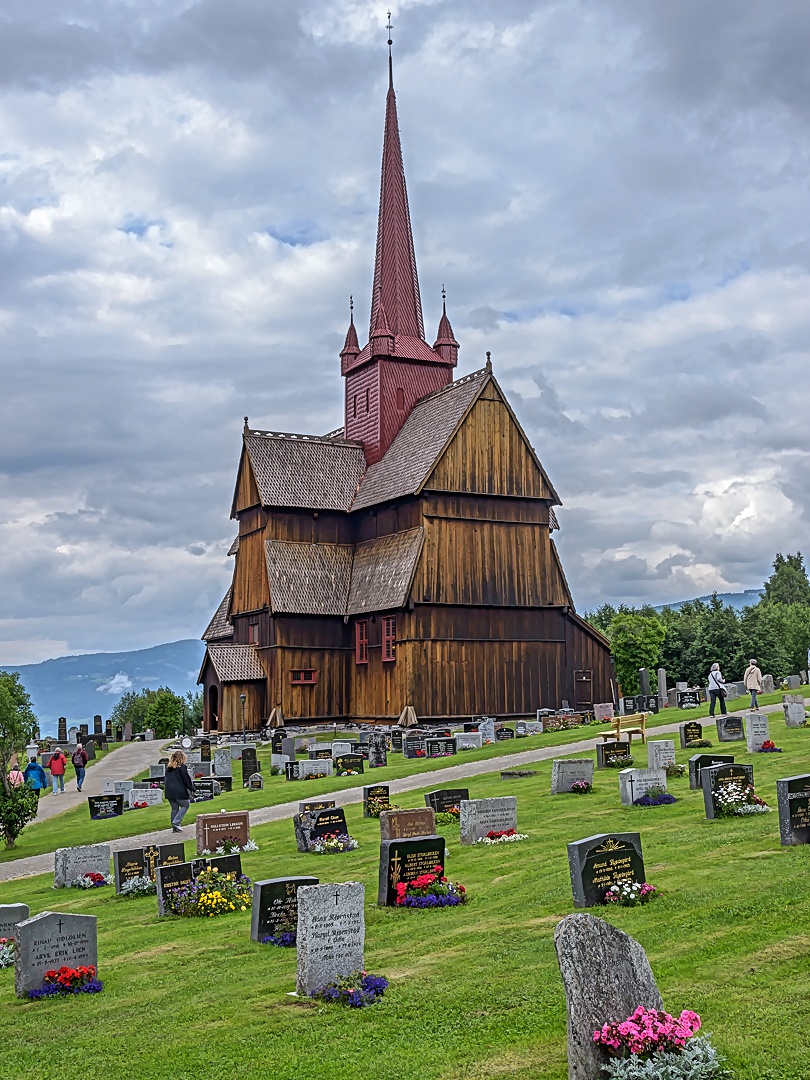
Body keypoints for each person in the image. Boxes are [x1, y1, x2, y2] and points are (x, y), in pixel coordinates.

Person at [164, 749, 194, 833]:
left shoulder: (168, 768)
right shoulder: (182, 767)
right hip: (179, 791)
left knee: (174, 808)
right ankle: (176, 822)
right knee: (186, 804)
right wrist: (192, 788)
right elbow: (186, 780)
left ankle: (175, 828)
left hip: (169, 792)